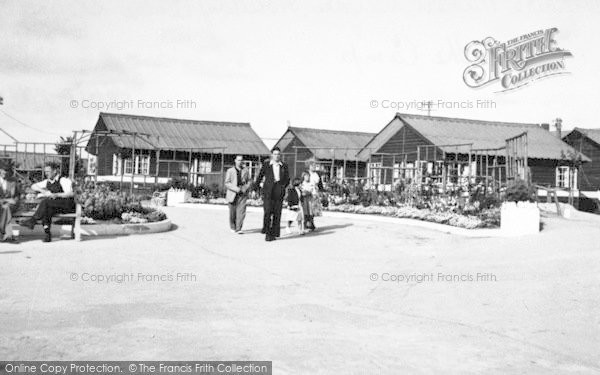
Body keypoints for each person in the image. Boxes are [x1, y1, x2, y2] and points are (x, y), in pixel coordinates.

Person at [20, 162, 75, 242]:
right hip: (55, 206)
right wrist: (43, 191)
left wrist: (56, 195)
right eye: (45, 172)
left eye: (48, 171)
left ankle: (32, 221)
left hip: (67, 205)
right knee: (46, 209)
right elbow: (33, 186)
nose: (46, 173)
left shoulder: (63, 180)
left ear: (55, 171)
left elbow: (70, 193)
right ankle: (47, 234)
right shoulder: (47, 182)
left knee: (46, 202)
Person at [255, 147, 290, 242]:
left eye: (278, 154)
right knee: (267, 212)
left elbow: (287, 178)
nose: (276, 156)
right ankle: (267, 232)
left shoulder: (284, 165)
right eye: (275, 154)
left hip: (279, 191)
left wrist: (282, 186)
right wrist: (256, 188)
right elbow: (260, 176)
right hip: (268, 192)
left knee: (277, 213)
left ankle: (274, 233)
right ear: (272, 155)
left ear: (280, 155)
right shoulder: (266, 164)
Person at [224, 155, 252, 234]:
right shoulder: (230, 171)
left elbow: (249, 181)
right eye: (238, 160)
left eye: (241, 160)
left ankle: (239, 228)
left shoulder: (246, 170)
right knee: (232, 212)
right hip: (233, 193)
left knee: (241, 211)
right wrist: (236, 189)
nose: (240, 162)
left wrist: (245, 188)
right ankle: (233, 226)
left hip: (242, 193)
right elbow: (227, 183)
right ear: (235, 161)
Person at [0, 160, 20, 242]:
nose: (5, 173)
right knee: (5, 208)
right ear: (0, 170)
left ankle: (3, 232)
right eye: (3, 171)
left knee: (6, 208)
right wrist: (4, 200)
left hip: (10, 204)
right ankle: (7, 233)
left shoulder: (13, 181)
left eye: (7, 171)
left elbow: (17, 195)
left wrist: (15, 201)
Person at [302, 162, 323, 231]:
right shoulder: (306, 173)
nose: (314, 167)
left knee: (313, 210)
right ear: (309, 167)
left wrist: (321, 191)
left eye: (315, 166)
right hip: (307, 192)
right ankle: (306, 223)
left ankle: (311, 222)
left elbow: (320, 184)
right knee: (307, 209)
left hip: (315, 193)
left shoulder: (317, 175)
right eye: (312, 166)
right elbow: (302, 182)